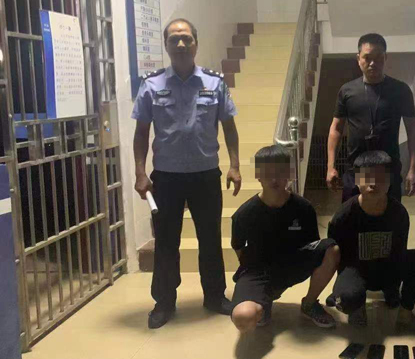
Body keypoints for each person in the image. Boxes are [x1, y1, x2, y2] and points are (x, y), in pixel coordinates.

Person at [132, 18, 242, 329]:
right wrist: (140, 173)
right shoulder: (151, 85)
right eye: (174, 39)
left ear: (195, 43)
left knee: (210, 238)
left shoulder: (214, 83)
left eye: (186, 38)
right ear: (166, 45)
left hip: (205, 175)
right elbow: (141, 133)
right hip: (166, 178)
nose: (180, 44)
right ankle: (164, 302)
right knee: (167, 242)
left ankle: (215, 296)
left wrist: (234, 166)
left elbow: (229, 127)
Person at [229, 145, 340, 332]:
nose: (274, 179)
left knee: (331, 249)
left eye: (280, 172)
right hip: (257, 270)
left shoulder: (303, 208)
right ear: (258, 175)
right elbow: (238, 247)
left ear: (289, 174)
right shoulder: (245, 213)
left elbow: (312, 245)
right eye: (268, 173)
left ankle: (309, 304)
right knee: (243, 317)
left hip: (292, 264)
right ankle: (264, 300)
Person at [327, 150, 415, 338]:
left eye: (380, 177)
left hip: (387, 268)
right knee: (347, 297)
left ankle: (405, 315)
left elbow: (400, 251)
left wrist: (392, 286)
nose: (373, 183)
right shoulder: (344, 216)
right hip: (357, 270)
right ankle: (357, 305)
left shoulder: (398, 213)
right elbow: (337, 258)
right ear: (356, 180)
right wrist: (345, 287)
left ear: (390, 180)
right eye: (367, 177)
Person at [326, 33, 415, 203]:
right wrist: (330, 166)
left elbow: (412, 130)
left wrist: (413, 169)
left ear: (385, 58)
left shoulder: (400, 90)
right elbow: (336, 129)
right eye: (367, 58)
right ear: (358, 59)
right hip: (355, 170)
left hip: (388, 171)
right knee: (352, 215)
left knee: (389, 216)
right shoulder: (347, 91)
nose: (372, 63)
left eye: (378, 58)